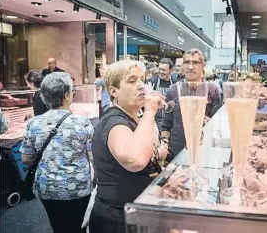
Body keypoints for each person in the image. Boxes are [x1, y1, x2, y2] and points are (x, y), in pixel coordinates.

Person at [89, 60, 166, 233]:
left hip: (134, 214)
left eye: (142, 79)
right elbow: (135, 159)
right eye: (132, 81)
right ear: (114, 91)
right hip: (117, 221)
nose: (141, 86)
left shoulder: (131, 118)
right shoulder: (114, 121)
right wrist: (150, 111)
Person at [20, 72, 94, 233]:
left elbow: (25, 159)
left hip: (47, 189)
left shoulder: (34, 124)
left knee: (58, 227)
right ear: (67, 95)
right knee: (77, 227)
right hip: (77, 188)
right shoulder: (81, 122)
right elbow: (93, 156)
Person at [160, 49, 223, 162]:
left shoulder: (212, 91)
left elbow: (218, 126)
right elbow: (166, 124)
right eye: (187, 62)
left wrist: (208, 123)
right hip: (177, 153)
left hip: (203, 153)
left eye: (195, 62)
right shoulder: (173, 91)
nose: (190, 67)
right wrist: (164, 144)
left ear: (203, 65)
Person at [148, 58, 178, 128]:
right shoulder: (152, 81)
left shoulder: (175, 83)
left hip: (171, 122)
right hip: (155, 121)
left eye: (164, 70)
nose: (161, 72)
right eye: (160, 69)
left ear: (171, 70)